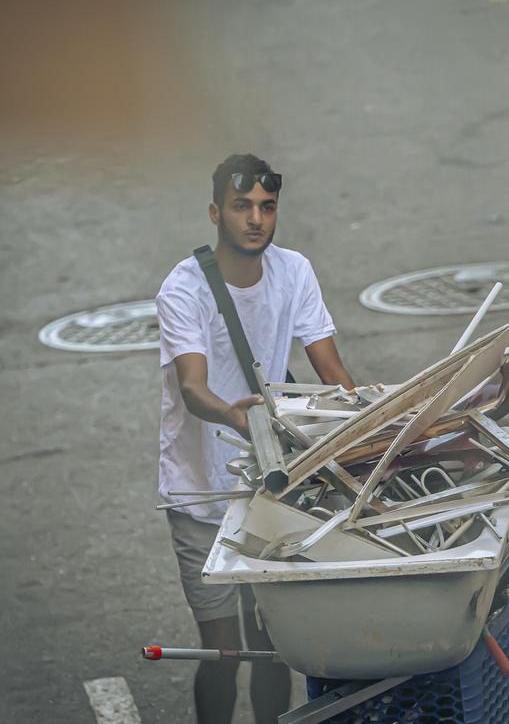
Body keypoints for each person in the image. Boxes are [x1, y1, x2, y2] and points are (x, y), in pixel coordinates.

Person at [155, 153, 355, 724]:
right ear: (216, 212)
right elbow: (193, 388)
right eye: (242, 206)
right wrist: (236, 416)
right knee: (221, 653)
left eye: (267, 207)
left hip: (269, 490)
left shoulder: (294, 272)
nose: (255, 219)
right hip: (200, 494)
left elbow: (333, 374)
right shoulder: (183, 290)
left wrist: (369, 425)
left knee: (272, 648)